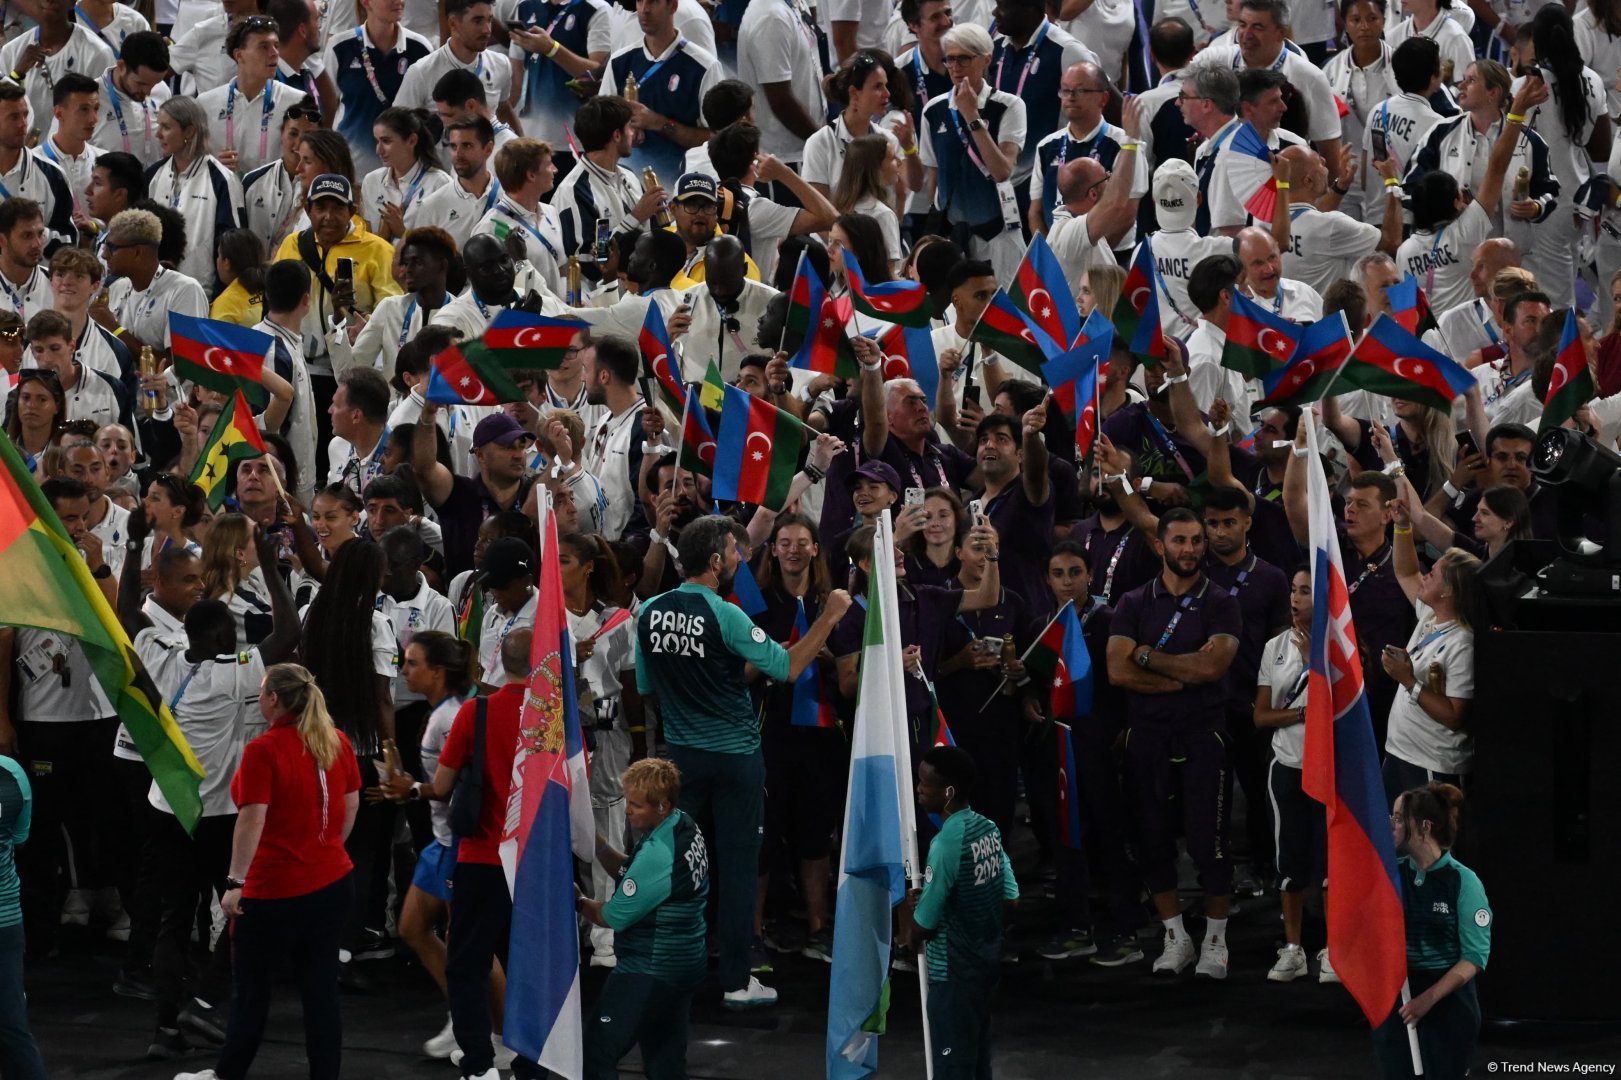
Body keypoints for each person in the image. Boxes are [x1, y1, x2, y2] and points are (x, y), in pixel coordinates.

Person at [635, 515, 853, 1008]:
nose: (740, 560)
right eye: (734, 553)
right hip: (734, 759)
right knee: (735, 869)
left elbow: (647, 688)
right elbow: (788, 668)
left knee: (676, 867)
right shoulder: (726, 615)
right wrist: (831, 616)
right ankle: (735, 981)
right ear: (714, 562)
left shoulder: (649, 611)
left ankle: (669, 970)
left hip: (681, 760)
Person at [171, 664, 360, 1080]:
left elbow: (251, 821)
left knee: (252, 993)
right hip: (332, 884)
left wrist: (235, 883)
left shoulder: (264, 751)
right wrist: (327, 849)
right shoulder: (337, 742)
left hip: (275, 892)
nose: (258, 698)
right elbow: (350, 803)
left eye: (261, 692)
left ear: (274, 699)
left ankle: (228, 1074)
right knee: (321, 992)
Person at [388, 629, 539, 1080]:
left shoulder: (476, 712)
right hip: (530, 860)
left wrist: (411, 788)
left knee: (467, 963)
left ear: (501, 662)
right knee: (524, 964)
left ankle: (481, 1064)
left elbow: (445, 785)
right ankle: (529, 1060)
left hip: (478, 857)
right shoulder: (551, 718)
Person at [1106, 507, 1242, 979]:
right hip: (1146, 736)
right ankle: (1175, 937)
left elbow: (1211, 669)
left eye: (1196, 540)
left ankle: (1216, 942)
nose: (1190, 549)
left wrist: (1147, 656)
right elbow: (1117, 670)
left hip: (1205, 734)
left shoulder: (1221, 601)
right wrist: (1177, 674)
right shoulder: (1131, 602)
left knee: (1211, 843)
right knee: (1151, 839)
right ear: (1160, 546)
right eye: (1179, 540)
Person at [372, 629, 478, 1060]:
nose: (404, 670)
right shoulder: (436, 714)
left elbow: (461, 786)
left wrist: (412, 789)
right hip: (442, 840)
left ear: (437, 672)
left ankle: (492, 1032)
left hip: (461, 845)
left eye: (412, 663)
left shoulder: (452, 718)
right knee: (413, 926)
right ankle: (462, 1015)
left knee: (471, 948)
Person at [579, 758, 710, 1080]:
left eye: (636, 806)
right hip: (684, 964)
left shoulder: (659, 852)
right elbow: (631, 873)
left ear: (662, 805)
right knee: (665, 1063)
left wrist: (577, 901)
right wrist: (593, 841)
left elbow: (613, 917)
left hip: (650, 969)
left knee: (597, 1054)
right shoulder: (683, 825)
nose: (627, 811)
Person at [901, 744, 1019, 1080]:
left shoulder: (945, 843)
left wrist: (909, 937)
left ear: (948, 792)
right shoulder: (988, 830)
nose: (919, 789)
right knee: (978, 1061)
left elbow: (925, 921)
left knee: (953, 1067)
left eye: (925, 783)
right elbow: (1010, 897)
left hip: (951, 972)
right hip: (984, 965)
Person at [1373, 783, 1491, 1080]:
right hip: (1400, 1002)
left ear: (1424, 827)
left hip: (1448, 1007)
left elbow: (1475, 957)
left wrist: (1428, 998)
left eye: (1400, 818)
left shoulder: (1463, 882)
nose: (1392, 825)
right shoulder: (1391, 876)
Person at [1255, 566, 1333, 984]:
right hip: (1286, 766)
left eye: (1305, 591)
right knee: (1289, 864)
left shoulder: (1340, 647)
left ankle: (1334, 950)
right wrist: (1301, 713)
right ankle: (1293, 949)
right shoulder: (1274, 647)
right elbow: (1261, 715)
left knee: (1329, 865)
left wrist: (1311, 662)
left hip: (1330, 771)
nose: (1295, 598)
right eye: (1293, 589)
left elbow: (1339, 711)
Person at [1382, 489, 1480, 802]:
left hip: (1431, 764)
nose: (1425, 575)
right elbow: (1405, 570)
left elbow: (1454, 715)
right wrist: (1401, 526)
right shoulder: (1429, 616)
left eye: (1434, 574)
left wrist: (1408, 679)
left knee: (1424, 847)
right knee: (1397, 843)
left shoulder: (1462, 642)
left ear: (1449, 591)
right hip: (1400, 752)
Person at [918, 24, 1026, 283]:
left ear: (985, 60)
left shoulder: (1008, 106)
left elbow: (1002, 171)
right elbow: (934, 176)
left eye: (964, 58)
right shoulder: (933, 110)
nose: (955, 66)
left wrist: (972, 116)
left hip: (999, 231)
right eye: (950, 58)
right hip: (953, 233)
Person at [360, 107, 451, 244]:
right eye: (377, 141)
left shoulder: (440, 183)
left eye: (386, 141)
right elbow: (366, 239)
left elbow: (444, 246)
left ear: (412, 140)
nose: (378, 150)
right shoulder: (371, 181)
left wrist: (402, 232)